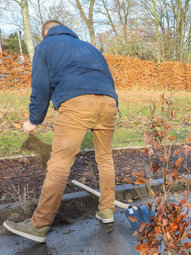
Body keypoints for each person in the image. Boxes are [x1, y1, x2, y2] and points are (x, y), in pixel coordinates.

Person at [3, 20, 118, 243]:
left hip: (77, 103)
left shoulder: (46, 46)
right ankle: (106, 211)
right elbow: (108, 79)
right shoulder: (89, 47)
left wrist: (33, 121)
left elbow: (40, 86)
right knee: (105, 158)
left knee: (60, 163)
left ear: (46, 33)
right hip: (108, 101)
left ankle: (39, 224)